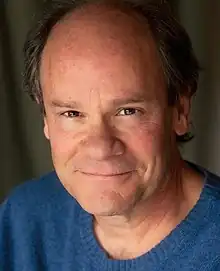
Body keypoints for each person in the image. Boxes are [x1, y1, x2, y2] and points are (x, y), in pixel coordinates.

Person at [1, 0, 220, 270]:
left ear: (180, 111)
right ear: (45, 118)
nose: (100, 147)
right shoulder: (23, 218)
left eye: (128, 111)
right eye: (72, 114)